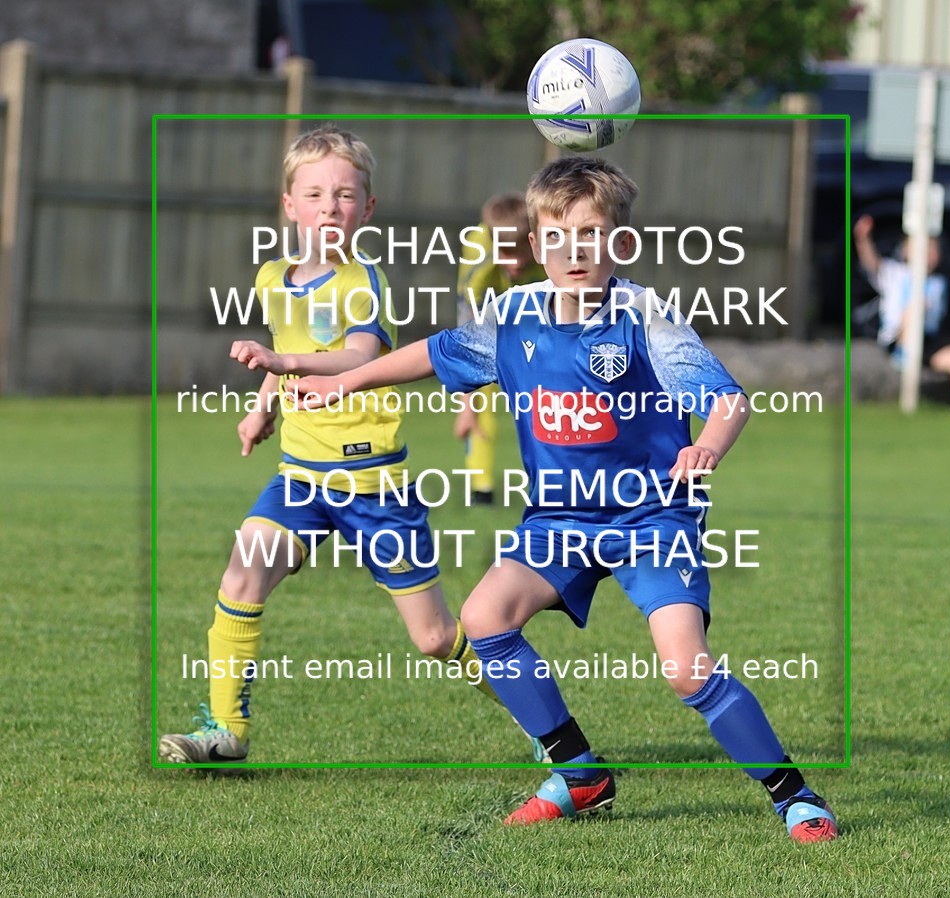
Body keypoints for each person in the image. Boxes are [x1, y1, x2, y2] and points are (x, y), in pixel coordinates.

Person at [288, 155, 839, 842]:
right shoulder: (512, 316)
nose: (573, 251)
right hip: (558, 520)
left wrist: (708, 447)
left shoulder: (647, 318)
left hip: (650, 516)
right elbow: (434, 351)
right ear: (534, 245)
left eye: (591, 235)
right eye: (557, 237)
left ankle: (795, 796)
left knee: (685, 667)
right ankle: (581, 774)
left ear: (621, 244)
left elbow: (728, 400)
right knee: (484, 619)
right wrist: (346, 383)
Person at [158, 125, 537, 763]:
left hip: (373, 486)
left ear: (368, 209)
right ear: (290, 206)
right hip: (301, 476)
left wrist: (283, 358)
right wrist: (263, 410)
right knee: (241, 576)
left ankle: (542, 720)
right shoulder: (272, 277)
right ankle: (228, 732)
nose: (330, 207)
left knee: (437, 636)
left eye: (344, 195)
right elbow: (285, 360)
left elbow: (358, 354)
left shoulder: (365, 281)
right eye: (315, 194)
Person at [853, 214, 950, 424]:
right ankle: (904, 353)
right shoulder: (895, 274)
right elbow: (871, 264)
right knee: (914, 307)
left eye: (932, 250)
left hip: (927, 342)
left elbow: (935, 320)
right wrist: (862, 239)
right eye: (921, 249)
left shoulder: (939, 284)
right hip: (898, 339)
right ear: (906, 251)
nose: (927, 255)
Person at [454, 193, 544, 504]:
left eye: (522, 253)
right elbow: (470, 335)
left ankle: (555, 477)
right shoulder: (479, 265)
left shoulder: (552, 256)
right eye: (506, 253)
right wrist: (467, 406)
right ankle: (481, 487)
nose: (516, 263)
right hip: (491, 314)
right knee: (482, 393)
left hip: (540, 311)